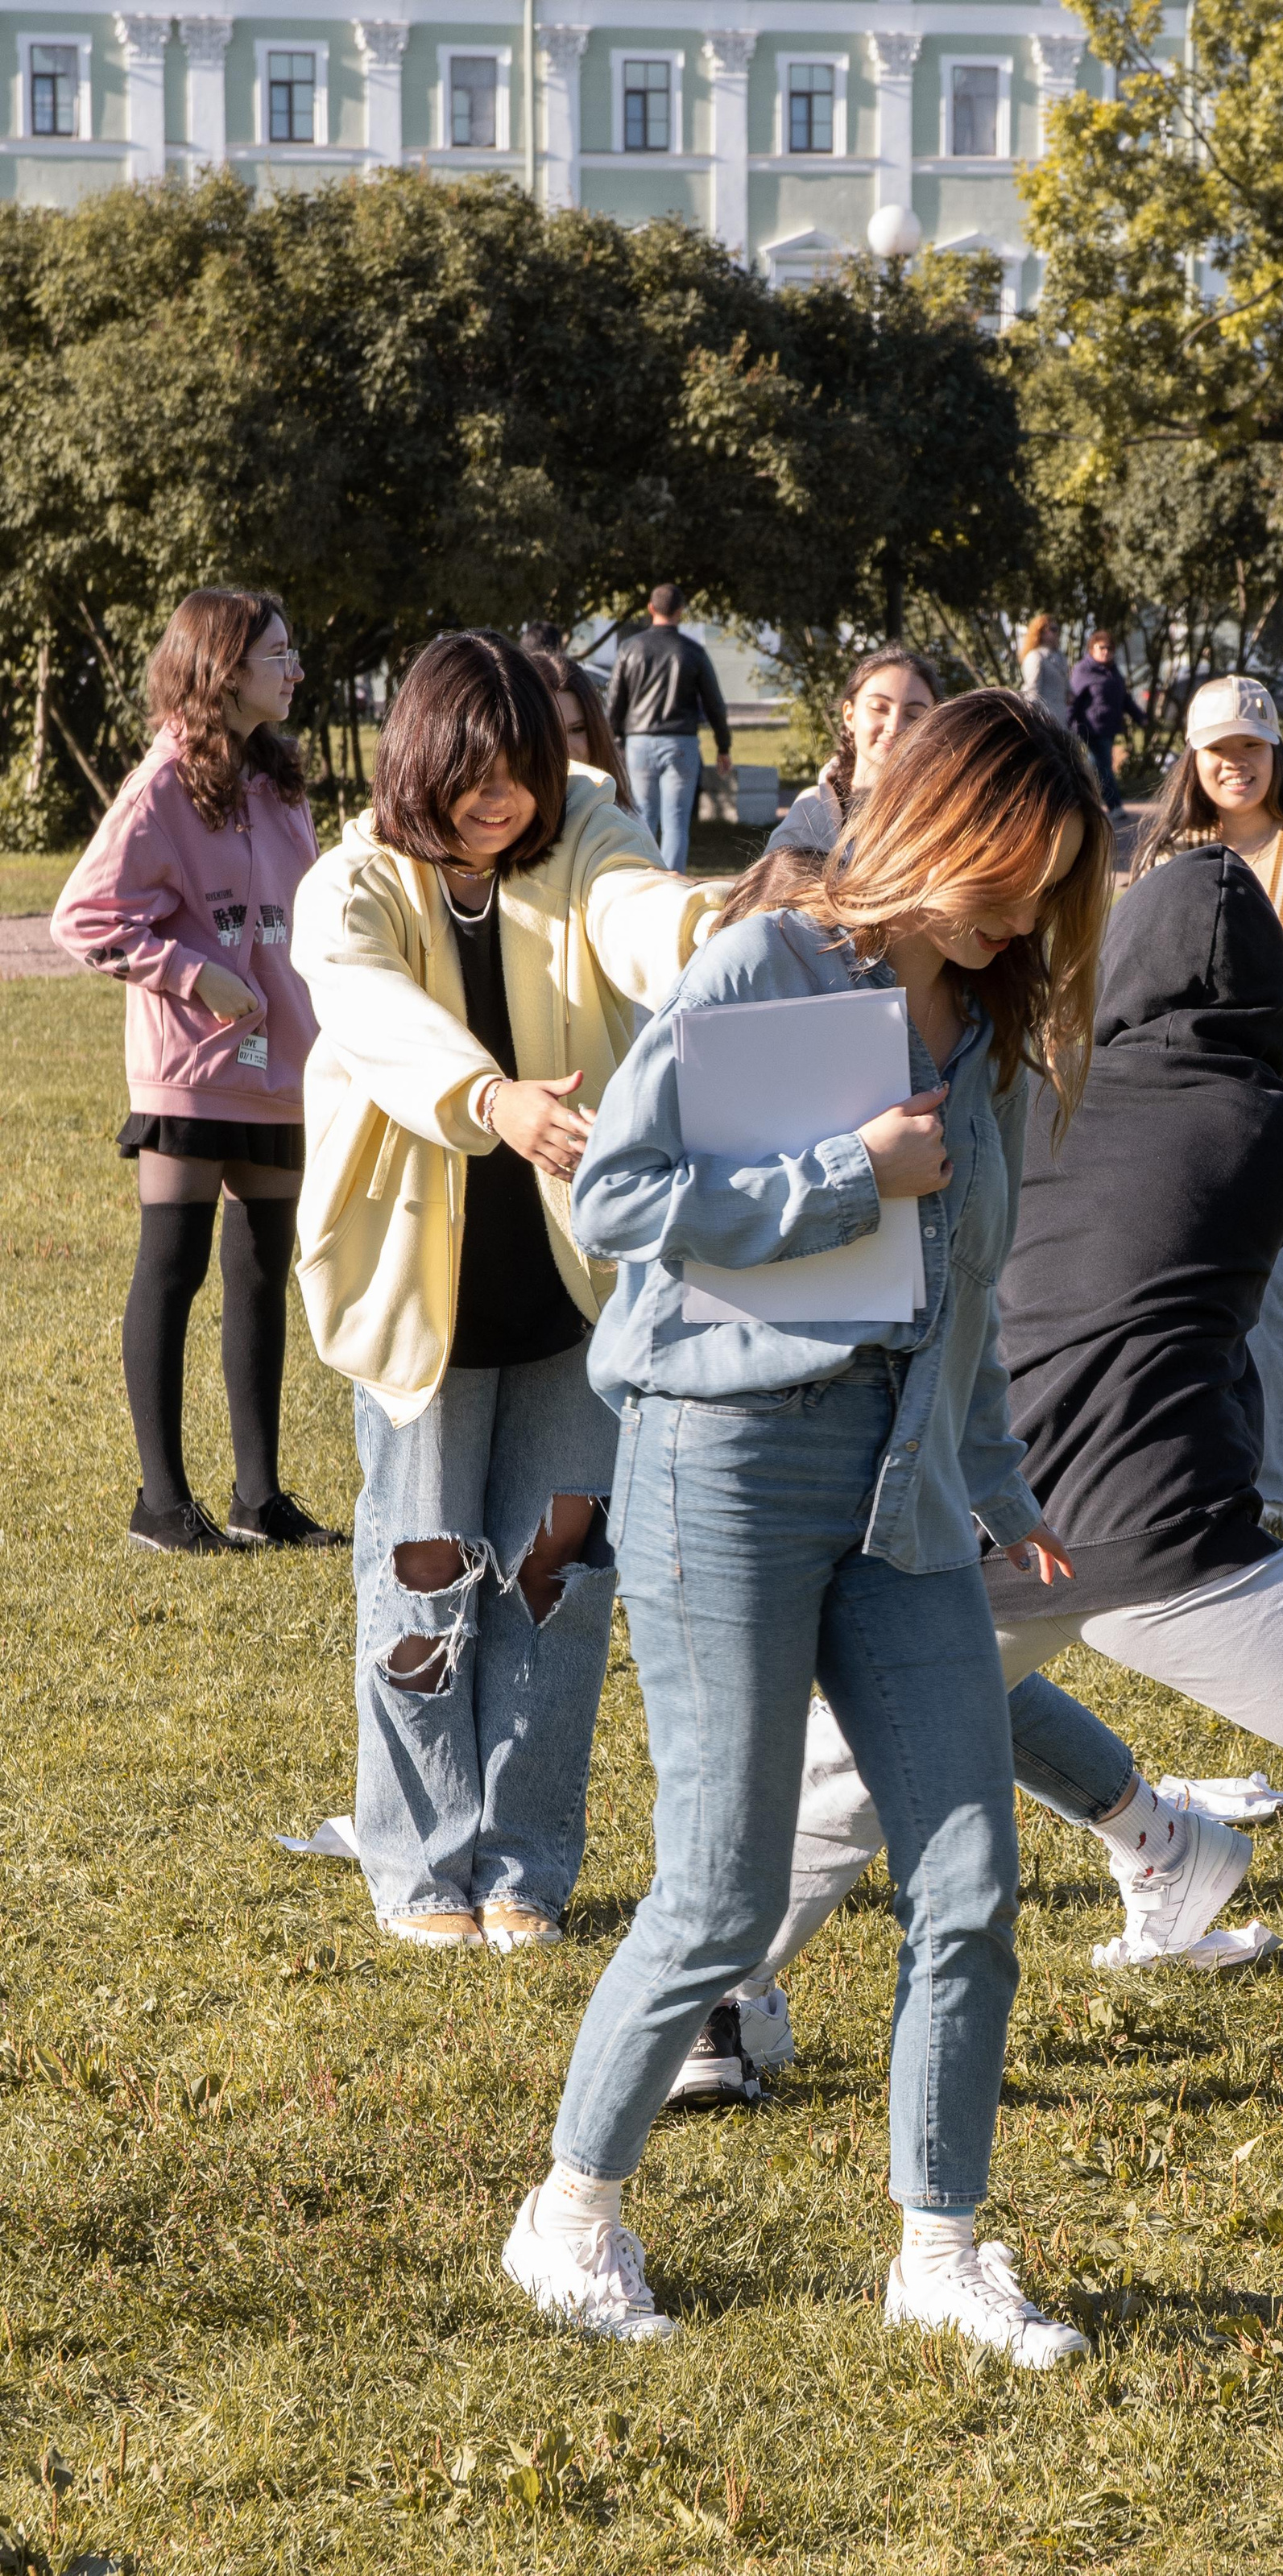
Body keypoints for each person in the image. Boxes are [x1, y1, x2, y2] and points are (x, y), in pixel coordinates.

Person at [718, 849, 1283, 2249]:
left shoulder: (1029, 1086)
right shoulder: (1281, 1121)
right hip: (1154, 1530)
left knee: (856, 1769)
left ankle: (718, 2001)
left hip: (981, 1502)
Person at [501, 690, 1112, 2363]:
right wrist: (845, 1173)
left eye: (1050, 881)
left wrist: (995, 1479)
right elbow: (622, 1198)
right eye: (1006, 866)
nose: (1018, 908)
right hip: (725, 1465)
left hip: (903, 1490)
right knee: (715, 1894)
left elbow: (968, 1283)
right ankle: (567, 2216)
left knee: (973, 1883)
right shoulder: (760, 967)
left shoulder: (980, 1026)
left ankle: (940, 2248)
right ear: (925, 822)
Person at [291, 631, 722, 1954]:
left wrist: (735, 921)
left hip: (571, 1298)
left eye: (522, 771)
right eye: (475, 774)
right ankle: (420, 1861)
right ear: (420, 758)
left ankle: (524, 1862)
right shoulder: (351, 877)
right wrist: (491, 1097)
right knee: (424, 1574)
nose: (503, 800)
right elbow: (361, 999)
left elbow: (642, 910)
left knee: (555, 1575)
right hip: (418, 1298)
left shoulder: (585, 826)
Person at [52, 588, 339, 1556]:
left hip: (282, 1062)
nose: (295, 668)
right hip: (190, 1067)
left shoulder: (279, 774)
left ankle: (259, 1498)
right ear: (223, 670)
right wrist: (194, 974)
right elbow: (84, 918)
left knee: (262, 1274)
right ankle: (161, 1504)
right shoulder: (162, 782)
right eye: (278, 653)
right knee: (171, 1270)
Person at [1134, 675, 1283, 1525]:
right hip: (1182, 1101)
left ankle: (1276, 1487)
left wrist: (1209, 997)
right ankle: (1204, 1474)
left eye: (1250, 746)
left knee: (1269, 1288)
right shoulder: (1168, 855)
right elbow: (1136, 967)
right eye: (1217, 749)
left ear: (1275, 752)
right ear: (1192, 759)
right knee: (1193, 1293)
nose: (1234, 763)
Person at [604, 584, 733, 872]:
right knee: (676, 821)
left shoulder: (630, 648)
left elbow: (614, 703)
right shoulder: (693, 652)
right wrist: (723, 746)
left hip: (638, 742)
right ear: (680, 612)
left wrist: (613, 740)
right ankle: (673, 883)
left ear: (651, 608)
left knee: (642, 816)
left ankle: (640, 877)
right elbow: (715, 704)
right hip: (681, 742)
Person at [765, 646, 940, 857]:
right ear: (849, 715)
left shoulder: (944, 818)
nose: (894, 727)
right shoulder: (810, 813)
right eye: (879, 708)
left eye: (913, 715)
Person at [524, 645, 635, 812]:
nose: (565, 748)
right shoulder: (493, 821)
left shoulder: (624, 824)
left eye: (577, 730)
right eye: (550, 734)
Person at [1069, 631, 1145, 813]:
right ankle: (1114, 805)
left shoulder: (1113, 671)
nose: (1106, 652)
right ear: (1092, 649)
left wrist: (1139, 716)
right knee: (1101, 766)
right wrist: (1067, 724)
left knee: (1095, 766)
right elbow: (1073, 700)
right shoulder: (1084, 670)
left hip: (1108, 728)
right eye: (1101, 648)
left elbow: (1124, 698)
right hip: (1091, 727)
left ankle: (1083, 801)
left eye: (1109, 648)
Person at [1018, 613, 1070, 727]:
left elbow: (1067, 689)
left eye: (1057, 629)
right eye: (1052, 629)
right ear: (1040, 632)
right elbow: (1032, 691)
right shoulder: (1035, 657)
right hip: (1044, 719)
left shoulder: (1060, 657)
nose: (1057, 632)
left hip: (1060, 718)